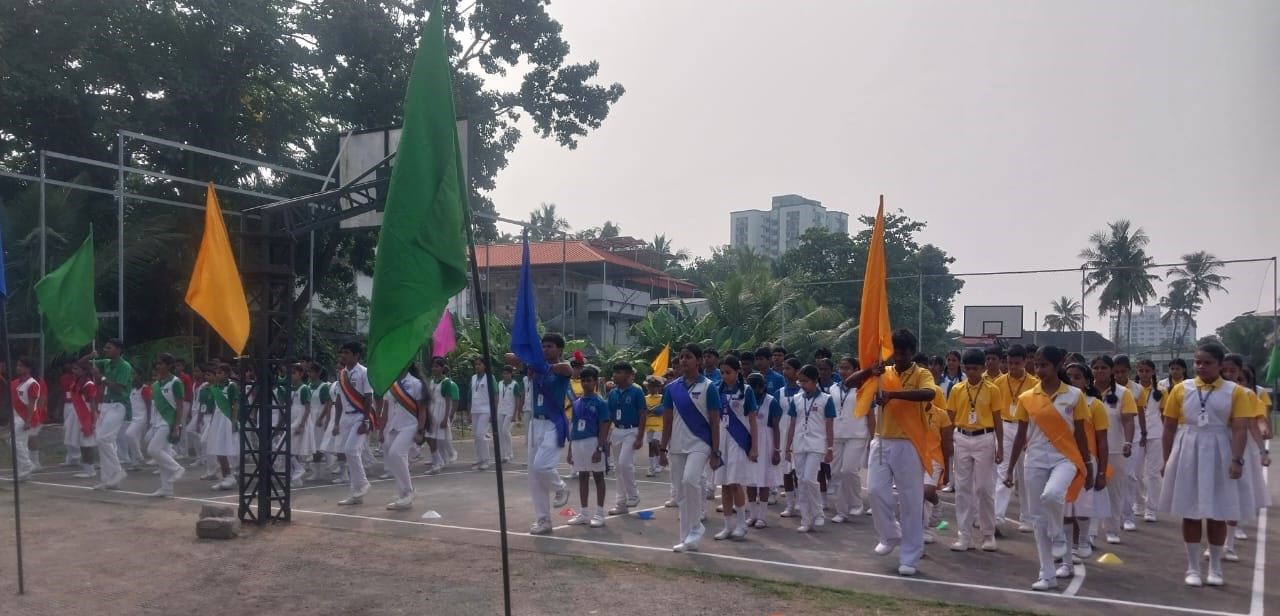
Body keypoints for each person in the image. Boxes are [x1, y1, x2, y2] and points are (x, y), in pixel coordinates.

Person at [1158, 342, 1253, 587]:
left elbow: (1240, 428)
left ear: (1221, 365)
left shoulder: (1236, 392)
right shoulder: (1181, 389)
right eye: (1198, 362)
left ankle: (1216, 568)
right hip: (1188, 448)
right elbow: (1168, 427)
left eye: (1207, 362)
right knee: (1189, 511)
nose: (1201, 366)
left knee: (1217, 512)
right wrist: (1166, 459)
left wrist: (1237, 459)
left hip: (1220, 448)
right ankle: (1192, 568)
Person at [845, 329, 939, 577]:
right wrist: (869, 371)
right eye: (895, 351)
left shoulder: (922, 373)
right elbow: (848, 383)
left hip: (909, 443)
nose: (898, 356)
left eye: (903, 352)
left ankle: (910, 556)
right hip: (882, 440)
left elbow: (929, 393)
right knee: (875, 491)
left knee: (911, 501)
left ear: (912, 352)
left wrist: (893, 395)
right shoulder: (882, 373)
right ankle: (889, 534)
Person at [1003, 345, 1093, 591]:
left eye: (1044, 365)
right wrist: (1010, 468)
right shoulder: (1028, 398)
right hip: (1035, 459)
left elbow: (1082, 436)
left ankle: (1060, 535)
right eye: (1037, 365)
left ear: (1058, 365)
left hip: (1065, 458)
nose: (1039, 369)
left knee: (1052, 495)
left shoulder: (1075, 396)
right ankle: (1047, 573)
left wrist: (1088, 467)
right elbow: (1021, 435)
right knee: (1038, 519)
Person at [505, 333, 574, 536]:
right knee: (534, 476)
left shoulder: (561, 369)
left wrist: (545, 366)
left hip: (554, 422)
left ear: (560, 349)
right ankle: (543, 520)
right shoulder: (533, 366)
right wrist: (529, 357)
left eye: (550, 346)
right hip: (535, 423)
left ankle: (561, 487)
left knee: (542, 465)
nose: (545, 350)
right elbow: (507, 357)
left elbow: (567, 368)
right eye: (542, 346)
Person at [660, 343, 723, 552]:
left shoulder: (708, 387)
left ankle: (696, 527)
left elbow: (715, 421)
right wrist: (662, 449)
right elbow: (667, 421)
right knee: (680, 493)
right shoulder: (671, 389)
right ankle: (687, 538)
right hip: (677, 445)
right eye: (681, 357)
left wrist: (716, 451)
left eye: (688, 357)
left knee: (690, 480)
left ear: (698, 361)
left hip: (700, 443)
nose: (683, 360)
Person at [948, 349, 1004, 552]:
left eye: (975, 368)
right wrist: (948, 443)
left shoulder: (992, 389)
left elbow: (998, 419)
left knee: (983, 488)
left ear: (983, 368)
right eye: (968, 368)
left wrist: (1000, 447)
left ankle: (988, 534)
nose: (971, 372)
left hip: (985, 438)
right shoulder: (957, 389)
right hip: (962, 437)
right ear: (963, 368)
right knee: (962, 489)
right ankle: (964, 536)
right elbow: (950, 416)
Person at [1063, 362, 1110, 563]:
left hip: (1087, 459)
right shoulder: (1060, 401)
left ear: (1087, 381)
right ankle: (1067, 547)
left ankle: (1082, 541)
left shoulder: (1095, 404)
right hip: (1063, 458)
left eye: (1077, 377)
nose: (1073, 381)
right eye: (1069, 377)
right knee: (1065, 507)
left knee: (1081, 506)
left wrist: (1101, 473)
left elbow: (1102, 440)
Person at [994, 344, 1040, 533]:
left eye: (1017, 363)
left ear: (1025, 362)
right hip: (1005, 427)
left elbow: (1037, 413)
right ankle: (996, 517)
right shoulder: (998, 382)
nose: (1013, 366)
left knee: (1025, 474)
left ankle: (1027, 517)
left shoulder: (1034, 383)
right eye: (1010, 363)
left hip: (1026, 428)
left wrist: (1031, 437)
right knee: (1003, 471)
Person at [785, 364, 835, 534]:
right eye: (800, 382)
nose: (802, 385)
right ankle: (806, 519)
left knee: (809, 479)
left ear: (815, 381)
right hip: (799, 443)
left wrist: (830, 447)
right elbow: (792, 424)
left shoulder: (826, 399)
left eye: (805, 381)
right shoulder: (796, 399)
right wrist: (787, 447)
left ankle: (818, 512)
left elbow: (829, 426)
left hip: (817, 444)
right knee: (801, 481)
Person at [1092, 355, 1136, 545]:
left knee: (1113, 491)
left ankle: (1112, 529)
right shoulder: (1084, 391)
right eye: (1096, 367)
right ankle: (1090, 532)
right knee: (1089, 491)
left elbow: (1128, 420)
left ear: (1111, 370)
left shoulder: (1122, 393)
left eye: (1104, 368)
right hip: (1090, 449)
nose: (1100, 371)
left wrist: (1128, 442)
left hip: (1115, 449)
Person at [712, 356, 757, 538]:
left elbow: (753, 421)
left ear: (738, 372)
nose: (724, 376)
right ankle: (727, 526)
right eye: (722, 372)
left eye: (728, 372)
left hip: (739, 443)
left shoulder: (746, 391)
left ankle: (741, 524)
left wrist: (754, 447)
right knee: (724, 484)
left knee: (735, 483)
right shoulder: (717, 390)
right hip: (721, 442)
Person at [566, 365, 611, 527]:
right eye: (583, 380)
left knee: (598, 476)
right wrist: (570, 449)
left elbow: (604, 426)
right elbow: (574, 425)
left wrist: (600, 448)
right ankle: (584, 513)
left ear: (595, 383)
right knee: (582, 476)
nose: (585, 383)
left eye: (589, 380)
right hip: (578, 441)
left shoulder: (600, 402)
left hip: (593, 441)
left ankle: (599, 513)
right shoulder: (577, 403)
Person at [378, 362, 427, 511]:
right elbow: (385, 410)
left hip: (410, 425)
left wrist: (420, 430)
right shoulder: (392, 384)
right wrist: (381, 430)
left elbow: (422, 409)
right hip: (393, 426)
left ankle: (409, 491)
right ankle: (403, 495)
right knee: (394, 459)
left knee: (396, 453)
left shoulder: (416, 384)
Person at [86, 340, 133, 491]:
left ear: (118, 350)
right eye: (105, 347)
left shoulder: (124, 366)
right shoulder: (106, 362)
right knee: (104, 441)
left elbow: (119, 388)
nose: (105, 349)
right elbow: (83, 364)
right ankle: (109, 480)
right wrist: (90, 356)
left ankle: (118, 471)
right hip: (106, 405)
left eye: (109, 347)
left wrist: (101, 377)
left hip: (118, 405)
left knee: (102, 439)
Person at [334, 341, 376, 505]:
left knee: (351, 450)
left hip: (360, 416)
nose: (343, 355)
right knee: (348, 453)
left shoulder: (364, 373)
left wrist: (366, 420)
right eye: (342, 352)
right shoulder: (341, 374)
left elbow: (368, 397)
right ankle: (356, 493)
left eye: (347, 352)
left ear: (356, 355)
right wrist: (336, 422)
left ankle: (363, 483)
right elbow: (338, 399)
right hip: (345, 417)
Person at [829, 356, 868, 522]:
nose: (843, 371)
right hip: (837, 434)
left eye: (847, 368)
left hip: (857, 434)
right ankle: (841, 511)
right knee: (836, 473)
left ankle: (856, 503)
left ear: (856, 370)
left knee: (849, 470)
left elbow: (870, 414)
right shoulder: (832, 388)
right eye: (841, 368)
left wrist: (873, 436)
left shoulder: (863, 388)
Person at [607, 363, 648, 515]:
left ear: (628, 375)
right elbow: (610, 414)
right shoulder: (613, 393)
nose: (615, 375)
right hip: (617, 430)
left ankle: (633, 494)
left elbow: (643, 414)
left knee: (625, 463)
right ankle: (620, 503)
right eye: (615, 372)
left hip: (632, 430)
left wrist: (640, 436)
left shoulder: (636, 391)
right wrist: (607, 434)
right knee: (618, 467)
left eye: (619, 372)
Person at [144, 354, 186, 497]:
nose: (158, 366)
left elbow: (180, 406)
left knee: (153, 450)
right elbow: (155, 406)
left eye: (161, 364)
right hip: (157, 422)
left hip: (169, 422)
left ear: (169, 366)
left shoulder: (176, 382)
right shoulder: (155, 385)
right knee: (164, 454)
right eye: (157, 364)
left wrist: (176, 426)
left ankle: (177, 468)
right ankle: (167, 488)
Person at [745, 372, 782, 528]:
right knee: (750, 480)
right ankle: (752, 514)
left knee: (764, 480)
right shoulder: (745, 399)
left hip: (766, 441)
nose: (752, 391)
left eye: (755, 388)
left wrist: (777, 450)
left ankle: (762, 516)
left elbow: (776, 428)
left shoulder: (771, 401)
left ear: (762, 387)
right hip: (749, 440)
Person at [1130, 359, 1165, 524]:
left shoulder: (1162, 391)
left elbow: (1165, 415)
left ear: (1153, 372)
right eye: (1141, 371)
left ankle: (1151, 508)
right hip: (1137, 434)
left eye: (1147, 371)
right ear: (1137, 372)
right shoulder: (1132, 390)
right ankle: (1139, 502)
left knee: (1153, 473)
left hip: (1156, 433)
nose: (1144, 374)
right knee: (1135, 472)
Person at [201, 363, 240, 490]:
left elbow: (235, 405)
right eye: (217, 373)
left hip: (227, 419)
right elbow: (214, 406)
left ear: (227, 374)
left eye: (220, 373)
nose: (218, 375)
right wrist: (212, 422)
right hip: (217, 420)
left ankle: (231, 476)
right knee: (217, 449)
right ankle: (226, 477)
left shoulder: (231, 386)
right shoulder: (215, 387)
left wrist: (234, 422)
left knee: (226, 449)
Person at [775, 358, 803, 518]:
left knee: (797, 470)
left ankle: (800, 500)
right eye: (784, 368)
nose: (785, 372)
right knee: (786, 471)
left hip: (799, 434)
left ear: (797, 372)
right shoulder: (779, 393)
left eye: (789, 369)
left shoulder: (804, 391)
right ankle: (790, 504)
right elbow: (776, 417)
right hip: (784, 433)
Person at [9, 356, 43, 481]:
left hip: (26, 417)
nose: (18, 368)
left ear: (28, 368)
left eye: (21, 366)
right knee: (20, 443)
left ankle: (27, 465)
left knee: (15, 442)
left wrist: (28, 421)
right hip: (17, 416)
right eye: (17, 365)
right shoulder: (15, 383)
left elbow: (32, 404)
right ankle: (23, 471)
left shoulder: (32, 383)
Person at [424, 357, 460, 474]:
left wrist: (446, 417)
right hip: (431, 411)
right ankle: (438, 460)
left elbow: (448, 400)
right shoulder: (432, 381)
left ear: (442, 368)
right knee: (429, 437)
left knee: (434, 437)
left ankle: (438, 463)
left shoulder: (446, 383)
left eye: (437, 366)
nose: (434, 368)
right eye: (433, 366)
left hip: (440, 411)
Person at [281, 363, 315, 488]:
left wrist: (301, 425)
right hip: (291, 418)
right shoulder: (290, 388)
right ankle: (296, 477)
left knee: (288, 448)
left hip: (300, 420)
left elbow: (307, 409)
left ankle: (298, 470)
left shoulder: (304, 388)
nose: (291, 375)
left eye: (294, 373)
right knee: (288, 448)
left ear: (301, 374)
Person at [66, 362, 99, 479]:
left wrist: (93, 421)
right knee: (81, 443)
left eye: (77, 369)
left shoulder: (89, 384)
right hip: (77, 414)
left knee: (87, 443)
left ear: (84, 371)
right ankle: (86, 468)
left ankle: (91, 470)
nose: (74, 371)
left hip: (86, 415)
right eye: (73, 369)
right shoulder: (76, 383)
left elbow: (92, 403)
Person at [469, 357, 497, 471]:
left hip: (486, 410)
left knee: (481, 435)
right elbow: (470, 395)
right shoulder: (473, 377)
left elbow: (495, 395)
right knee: (476, 436)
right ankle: (479, 459)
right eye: (475, 364)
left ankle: (486, 460)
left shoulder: (490, 378)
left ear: (485, 366)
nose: (477, 366)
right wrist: (469, 411)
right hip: (475, 409)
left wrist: (493, 412)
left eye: (479, 364)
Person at [495, 365, 524, 464]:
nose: (505, 375)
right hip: (500, 410)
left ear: (511, 374)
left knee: (505, 431)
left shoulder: (515, 384)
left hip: (510, 411)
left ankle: (509, 454)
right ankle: (503, 454)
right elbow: (497, 397)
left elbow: (517, 400)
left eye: (507, 373)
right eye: (504, 373)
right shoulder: (499, 383)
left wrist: (516, 413)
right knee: (500, 432)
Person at [643, 375, 665, 477]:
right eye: (650, 386)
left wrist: (651, 410)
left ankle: (659, 462)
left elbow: (661, 411)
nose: (652, 389)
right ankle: (652, 467)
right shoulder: (645, 399)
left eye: (654, 386)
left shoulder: (662, 398)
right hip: (649, 425)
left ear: (658, 388)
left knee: (656, 443)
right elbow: (644, 411)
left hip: (659, 425)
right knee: (651, 447)